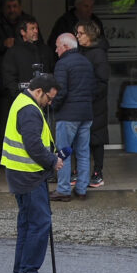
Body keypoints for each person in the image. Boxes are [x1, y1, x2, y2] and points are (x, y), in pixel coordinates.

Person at [1, 73, 63, 273]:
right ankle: (28, 271)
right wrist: (52, 161)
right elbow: (33, 145)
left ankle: (21, 270)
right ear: (39, 92)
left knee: (27, 223)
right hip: (29, 175)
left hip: (21, 173)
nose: (50, 102)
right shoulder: (29, 110)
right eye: (49, 98)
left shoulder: (22, 102)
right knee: (40, 222)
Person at [0, 0, 36, 155]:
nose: (12, 10)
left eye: (15, 6)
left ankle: (27, 153)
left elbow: (37, 45)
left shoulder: (28, 22)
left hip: (27, 80)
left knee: (28, 119)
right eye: (8, 7)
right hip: (3, 83)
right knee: (4, 120)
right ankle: (3, 155)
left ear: (20, 7)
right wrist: (3, 44)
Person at [50, 33, 95, 202]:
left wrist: (52, 105)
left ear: (66, 47)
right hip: (86, 113)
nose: (55, 50)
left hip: (68, 115)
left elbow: (60, 91)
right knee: (83, 152)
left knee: (63, 152)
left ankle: (63, 189)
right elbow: (94, 88)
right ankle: (82, 189)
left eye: (57, 46)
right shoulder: (87, 62)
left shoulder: (62, 64)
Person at [76, 20, 109, 188]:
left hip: (95, 103)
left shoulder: (98, 54)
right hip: (82, 102)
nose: (77, 36)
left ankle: (98, 172)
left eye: (80, 33)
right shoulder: (81, 52)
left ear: (89, 35)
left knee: (96, 138)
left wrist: (89, 95)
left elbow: (102, 82)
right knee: (80, 138)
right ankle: (80, 171)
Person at [0, 17, 47, 100]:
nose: (36, 31)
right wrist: (19, 96)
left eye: (36, 28)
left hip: (42, 99)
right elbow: (9, 79)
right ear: (22, 32)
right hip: (21, 99)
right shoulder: (12, 53)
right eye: (32, 29)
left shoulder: (45, 51)